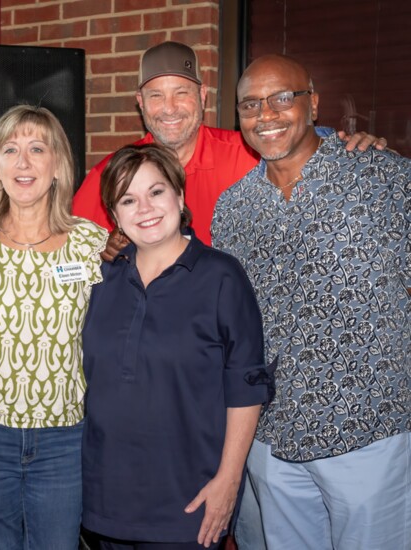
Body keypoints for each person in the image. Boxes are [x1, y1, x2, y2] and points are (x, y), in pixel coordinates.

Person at [211, 54, 410, 550]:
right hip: (272, 437)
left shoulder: (384, 179)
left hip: (368, 427)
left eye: (283, 98)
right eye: (251, 104)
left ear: (313, 102)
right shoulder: (232, 208)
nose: (267, 115)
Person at [81, 143, 276, 550]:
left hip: (189, 503)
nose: (145, 208)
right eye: (128, 199)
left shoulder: (222, 276)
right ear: (114, 215)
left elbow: (246, 386)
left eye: (156, 191)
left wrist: (229, 479)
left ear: (179, 196)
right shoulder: (101, 280)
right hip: (106, 499)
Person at [72, 41, 388, 248]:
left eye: (181, 92)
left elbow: (302, 145)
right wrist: (108, 252)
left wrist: (353, 148)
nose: (169, 108)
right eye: (156, 96)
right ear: (140, 103)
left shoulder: (249, 153)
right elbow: (76, 261)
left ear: (202, 97)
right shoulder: (110, 175)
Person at [0, 104, 108, 549]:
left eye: (36, 148)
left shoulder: (92, 243)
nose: (23, 162)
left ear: (58, 167)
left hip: (64, 440)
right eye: (9, 150)